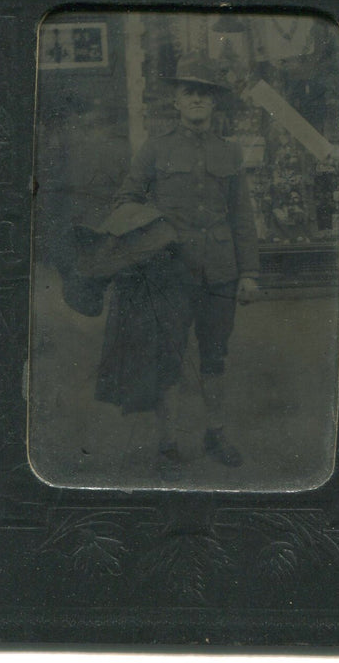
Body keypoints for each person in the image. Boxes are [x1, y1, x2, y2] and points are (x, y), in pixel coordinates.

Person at [112, 53, 260, 478]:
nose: (196, 101)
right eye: (188, 93)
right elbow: (126, 200)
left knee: (215, 356)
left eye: (204, 95)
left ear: (214, 104)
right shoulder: (155, 148)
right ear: (176, 101)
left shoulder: (229, 152)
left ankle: (216, 434)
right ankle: (169, 441)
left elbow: (242, 217)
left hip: (220, 272)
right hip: (169, 273)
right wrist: (153, 238)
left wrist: (248, 272)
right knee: (168, 358)